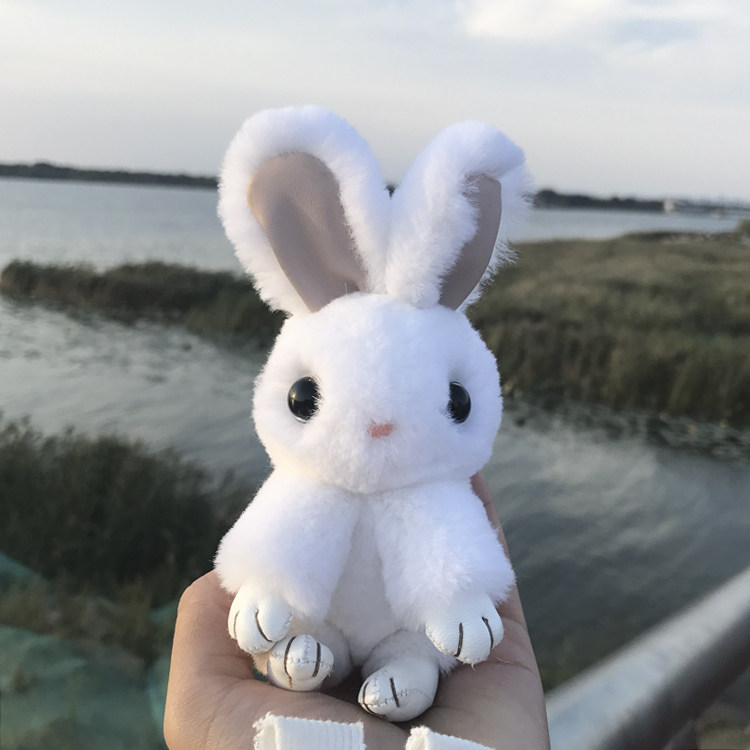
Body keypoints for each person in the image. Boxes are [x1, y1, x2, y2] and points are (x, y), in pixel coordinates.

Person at [164, 474, 551, 749]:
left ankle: (410, 669)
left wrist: (460, 597)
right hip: (323, 626)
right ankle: (307, 660)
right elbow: (276, 534)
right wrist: (264, 582)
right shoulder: (299, 482)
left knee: (416, 652)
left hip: (404, 633)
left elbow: (452, 543)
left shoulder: (438, 488)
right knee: (300, 640)